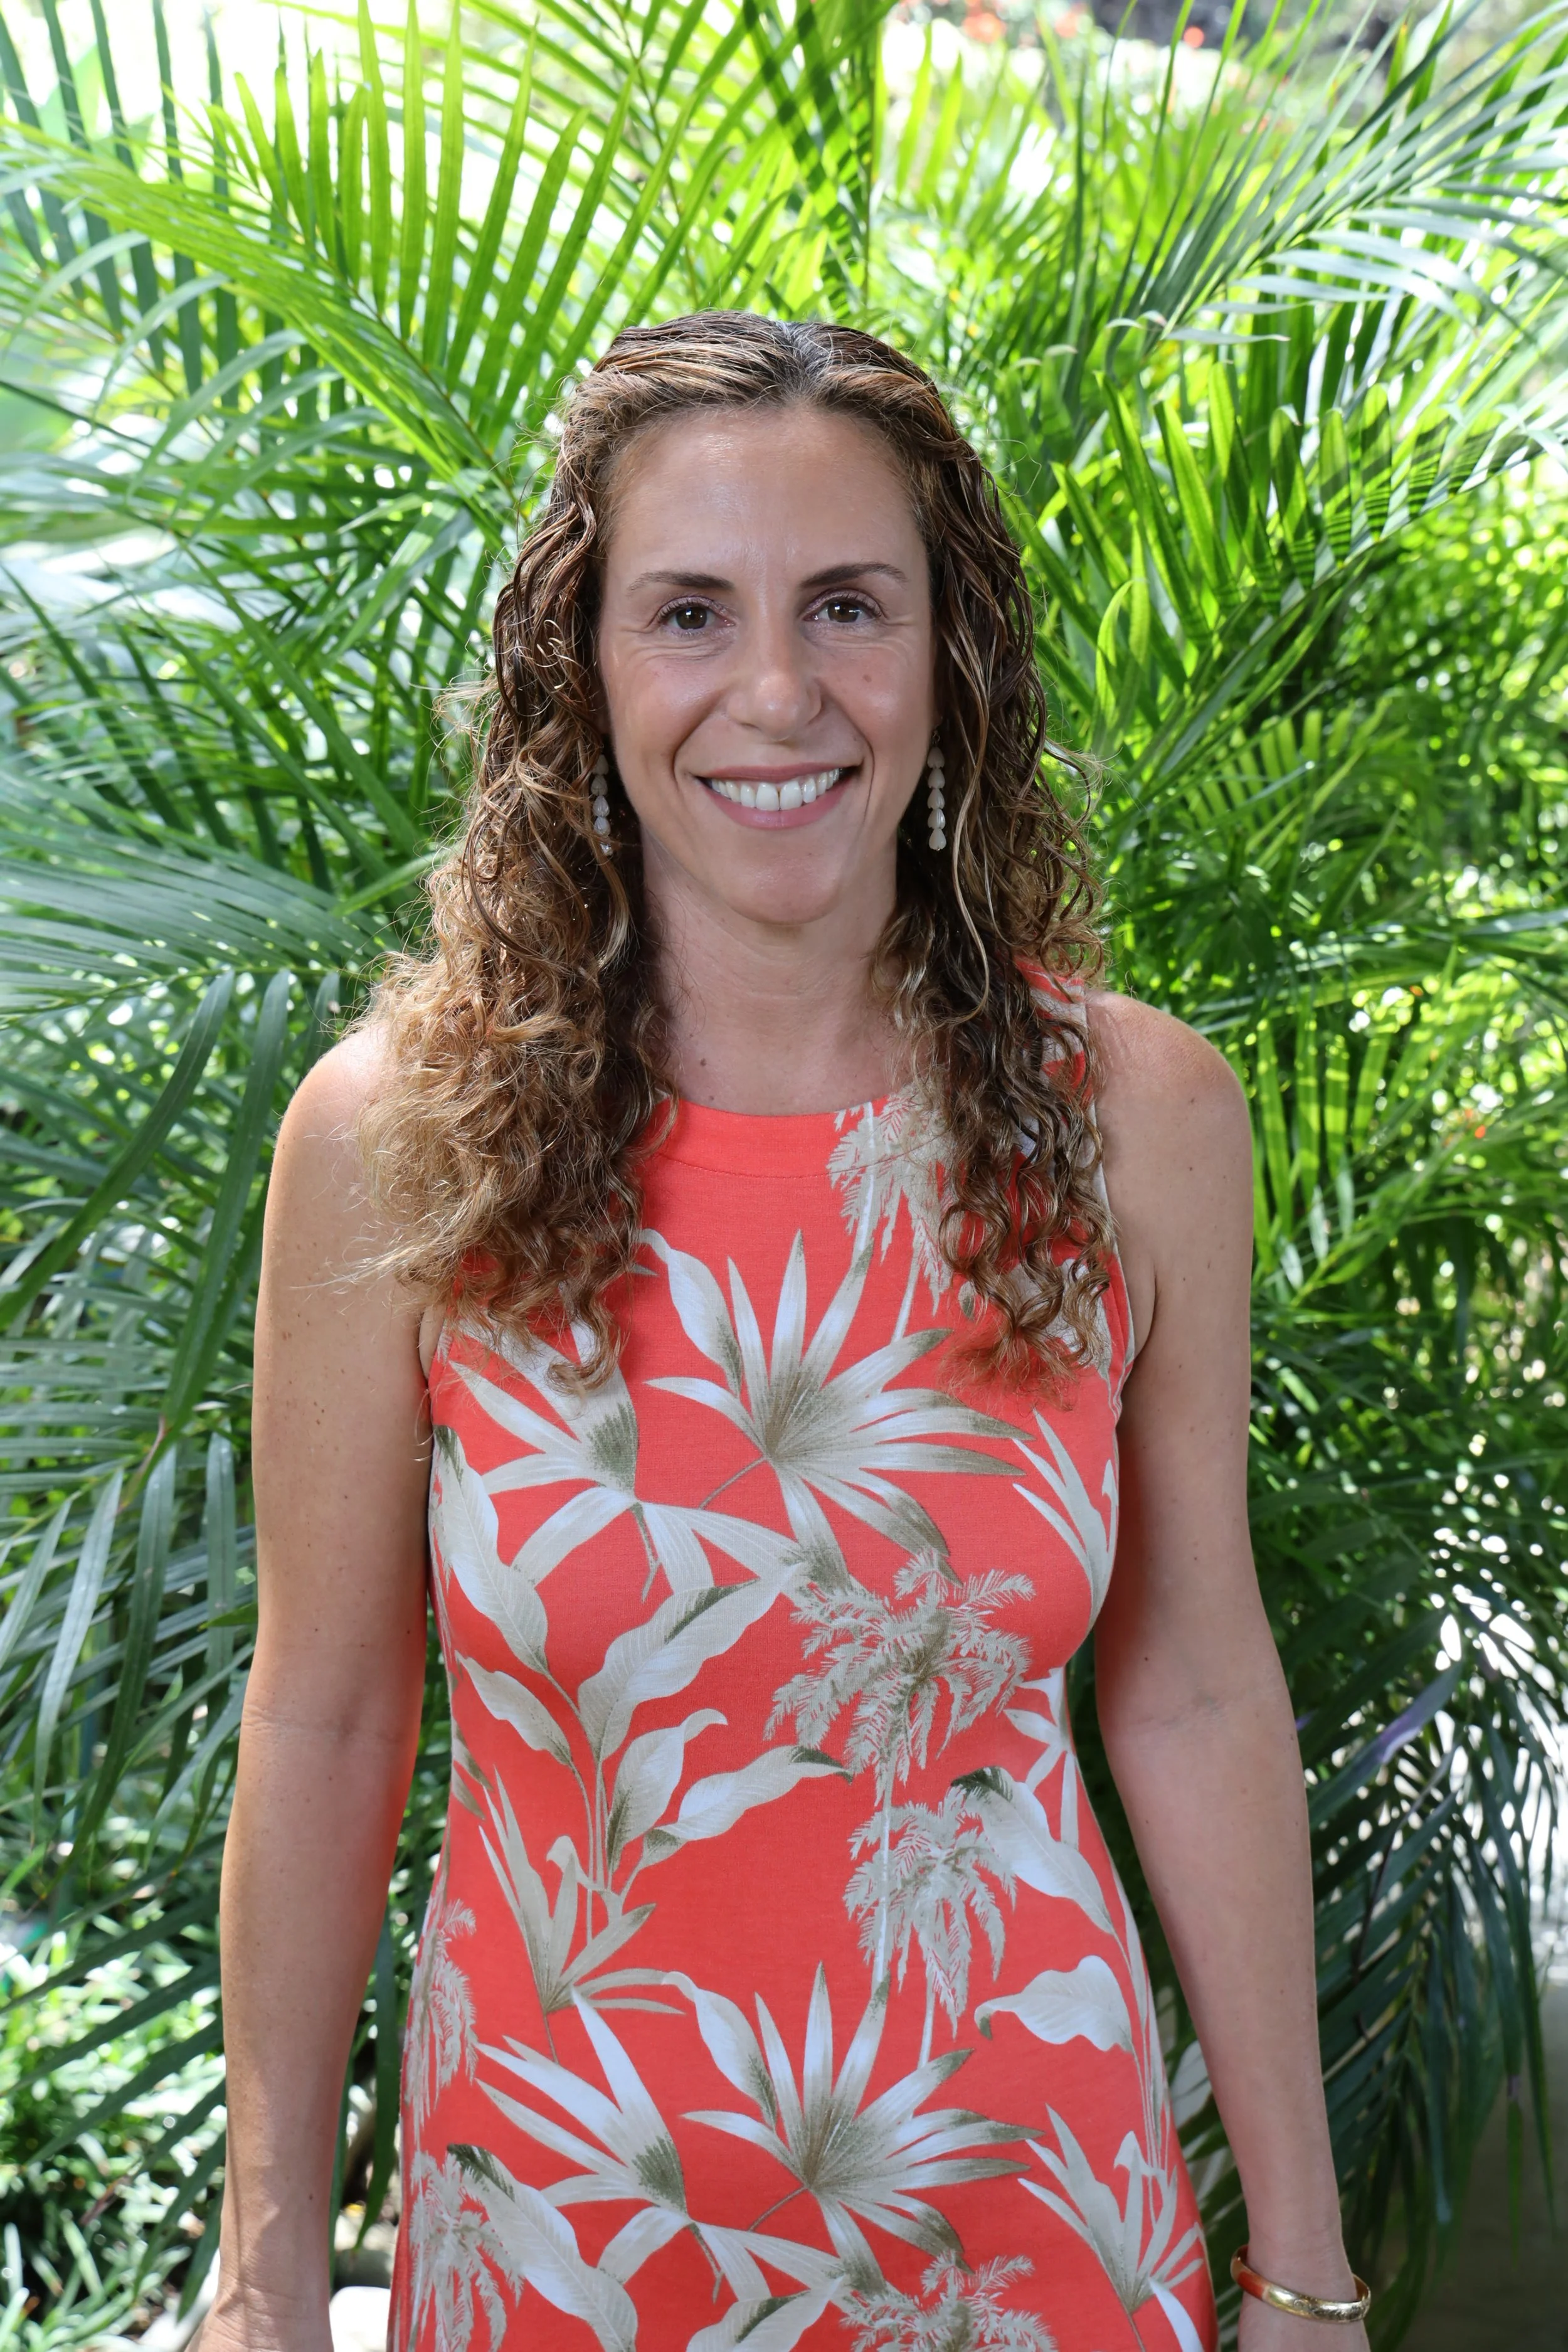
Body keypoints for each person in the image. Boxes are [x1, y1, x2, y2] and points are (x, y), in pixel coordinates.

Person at [203, 314, 1370, 2352]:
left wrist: (1302, 2270)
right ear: (584, 670)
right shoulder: (395, 1144)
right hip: (559, 2233)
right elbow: (321, 1720)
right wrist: (263, 2276)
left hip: (1037, 2231)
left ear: (952, 660)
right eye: (686, 612)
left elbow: (1189, 1687)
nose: (775, 691)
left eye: (849, 605)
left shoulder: (1144, 1125)